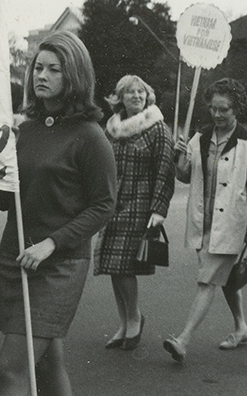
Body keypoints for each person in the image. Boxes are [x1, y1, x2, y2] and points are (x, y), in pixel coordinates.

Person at [0, 32, 117, 396]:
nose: (40, 76)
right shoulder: (24, 132)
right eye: (37, 68)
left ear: (74, 76)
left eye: (53, 70)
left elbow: (104, 204)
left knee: (10, 371)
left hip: (57, 265)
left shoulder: (90, 136)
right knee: (47, 364)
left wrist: (51, 243)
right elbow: (10, 202)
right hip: (15, 259)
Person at [164, 78, 247, 362]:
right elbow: (185, 176)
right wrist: (177, 158)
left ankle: (183, 339)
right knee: (224, 280)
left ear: (237, 109)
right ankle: (241, 327)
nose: (218, 115)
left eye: (225, 110)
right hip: (203, 222)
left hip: (232, 225)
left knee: (207, 280)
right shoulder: (199, 138)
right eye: (214, 109)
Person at [93, 75, 175, 350]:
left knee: (123, 265)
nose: (137, 96)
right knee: (113, 267)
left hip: (140, 206)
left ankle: (134, 319)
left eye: (141, 92)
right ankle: (127, 320)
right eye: (130, 93)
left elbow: (165, 170)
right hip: (113, 203)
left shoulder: (157, 128)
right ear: (120, 98)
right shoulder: (112, 129)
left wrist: (158, 209)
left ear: (148, 97)